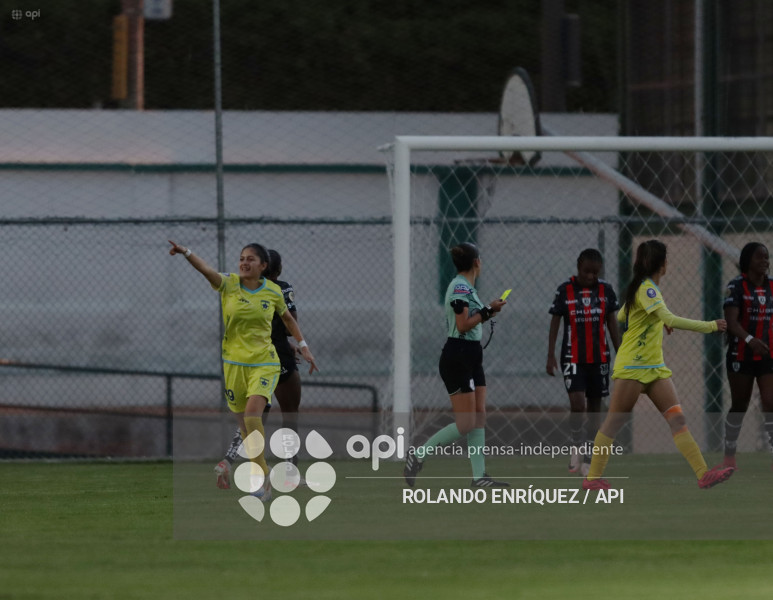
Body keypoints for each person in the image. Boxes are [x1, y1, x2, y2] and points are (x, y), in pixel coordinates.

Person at [168, 240, 318, 502]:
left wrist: (303, 346)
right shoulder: (228, 284)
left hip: (265, 362)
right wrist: (186, 253)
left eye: (251, 259)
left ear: (263, 266)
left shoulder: (273, 291)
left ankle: (265, 480)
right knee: (247, 430)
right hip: (234, 365)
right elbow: (205, 270)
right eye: (241, 258)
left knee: (252, 416)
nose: (244, 262)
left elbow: (288, 319)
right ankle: (265, 473)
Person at [582, 239, 734, 490]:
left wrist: (653, 320)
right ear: (662, 264)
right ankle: (592, 478)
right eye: (666, 260)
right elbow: (669, 317)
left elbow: (622, 315)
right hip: (633, 368)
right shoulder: (647, 289)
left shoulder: (642, 288)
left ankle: (703, 474)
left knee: (677, 420)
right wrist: (711, 326)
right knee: (614, 422)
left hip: (654, 369)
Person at [403, 242, 509, 488]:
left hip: (471, 354)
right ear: (477, 263)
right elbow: (462, 325)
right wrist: (487, 312)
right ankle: (418, 455)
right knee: (466, 423)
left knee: (479, 415)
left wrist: (489, 311)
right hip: (458, 355)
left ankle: (479, 476)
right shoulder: (460, 286)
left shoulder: (467, 288)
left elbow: (471, 319)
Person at [214, 249, 306, 489]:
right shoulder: (281, 288)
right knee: (290, 415)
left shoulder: (238, 287)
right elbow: (288, 324)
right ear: (275, 269)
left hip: (247, 358)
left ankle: (229, 460)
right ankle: (290, 472)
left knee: (251, 419)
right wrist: (292, 343)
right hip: (275, 358)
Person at [547, 248, 621, 476]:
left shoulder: (606, 291)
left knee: (596, 409)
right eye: (586, 271)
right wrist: (550, 355)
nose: (590, 276)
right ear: (578, 267)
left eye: (595, 273)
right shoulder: (564, 290)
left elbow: (612, 325)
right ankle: (576, 446)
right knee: (578, 404)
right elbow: (555, 323)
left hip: (599, 358)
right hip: (572, 356)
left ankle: (589, 457)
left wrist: (622, 354)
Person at [716, 242, 773, 470]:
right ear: (748, 261)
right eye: (760, 258)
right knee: (740, 404)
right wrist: (750, 341)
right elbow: (731, 323)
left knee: (770, 402)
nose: (765, 262)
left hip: (768, 355)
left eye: (767, 257)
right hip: (741, 354)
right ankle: (729, 454)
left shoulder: (772, 286)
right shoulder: (736, 287)